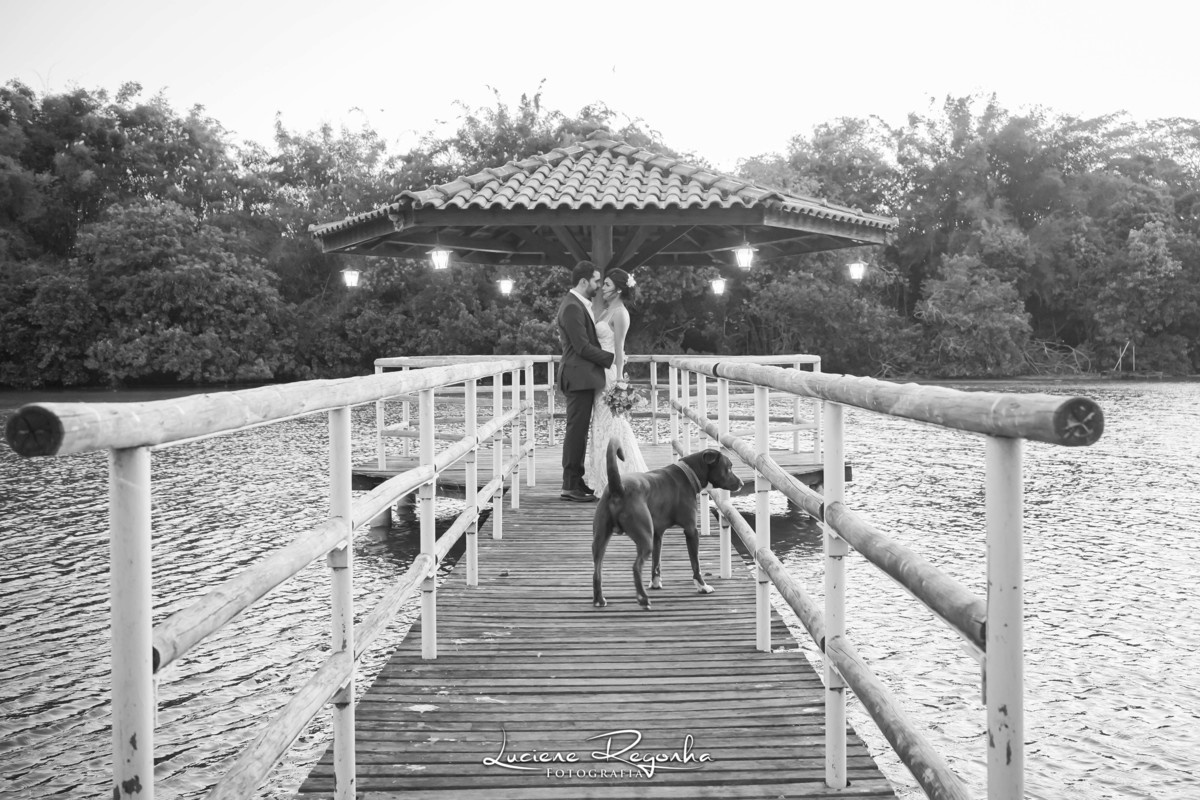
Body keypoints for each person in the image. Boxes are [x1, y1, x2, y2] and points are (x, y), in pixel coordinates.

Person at [583, 268, 648, 495]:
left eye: (608, 285)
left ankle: (623, 475)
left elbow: (619, 349)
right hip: (599, 372)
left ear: (619, 289)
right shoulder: (607, 310)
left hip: (610, 374)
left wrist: (620, 382)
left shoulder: (620, 313)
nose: (603, 288)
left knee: (614, 425)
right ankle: (601, 478)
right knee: (599, 425)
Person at [556, 261, 614, 502]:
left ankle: (576, 480)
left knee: (579, 431)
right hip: (577, 377)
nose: (598, 285)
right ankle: (569, 485)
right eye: (596, 280)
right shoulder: (572, 307)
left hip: (582, 377)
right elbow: (581, 346)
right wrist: (611, 359)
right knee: (576, 431)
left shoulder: (578, 305)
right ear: (583, 281)